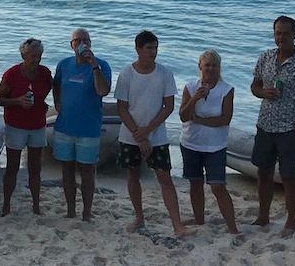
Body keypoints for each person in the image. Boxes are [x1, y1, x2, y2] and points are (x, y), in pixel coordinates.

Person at [250, 15, 295, 237]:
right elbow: (254, 86)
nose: (281, 37)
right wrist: (263, 92)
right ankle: (263, 216)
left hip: (289, 129)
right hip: (265, 125)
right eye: (278, 33)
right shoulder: (265, 57)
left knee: (289, 176)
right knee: (263, 173)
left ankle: (291, 222)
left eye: (286, 33)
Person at [115, 30, 187, 237]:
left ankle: (177, 225)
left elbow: (168, 106)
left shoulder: (164, 73)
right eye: (149, 48)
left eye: (155, 48)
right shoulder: (127, 74)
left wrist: (147, 131)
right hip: (130, 135)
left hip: (157, 136)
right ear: (138, 49)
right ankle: (139, 217)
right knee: (133, 175)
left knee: (165, 177)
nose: (153, 52)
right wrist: (138, 134)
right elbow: (122, 108)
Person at [51, 28, 112, 221]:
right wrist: (57, 102)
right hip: (65, 126)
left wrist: (94, 65)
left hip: (88, 128)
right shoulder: (64, 64)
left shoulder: (102, 65)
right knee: (67, 170)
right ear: (72, 45)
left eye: (86, 40)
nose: (82, 44)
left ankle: (86, 212)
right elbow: (56, 84)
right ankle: (71, 210)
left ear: (91, 43)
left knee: (87, 172)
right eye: (78, 40)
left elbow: (103, 91)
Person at [178, 50, 239, 235]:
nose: (210, 69)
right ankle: (199, 219)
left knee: (217, 186)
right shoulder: (190, 87)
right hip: (191, 143)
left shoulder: (226, 90)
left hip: (215, 146)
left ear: (219, 68)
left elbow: (224, 119)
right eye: (207, 65)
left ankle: (233, 227)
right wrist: (195, 98)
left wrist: (199, 119)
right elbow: (183, 116)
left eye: (214, 65)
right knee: (195, 183)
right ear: (200, 67)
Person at [0, 38, 53, 217]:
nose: (36, 59)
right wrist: (17, 101)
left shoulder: (45, 73)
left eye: (39, 55)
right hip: (16, 125)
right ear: (23, 56)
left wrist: (44, 104)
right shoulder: (12, 74)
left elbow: (50, 91)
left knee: (35, 168)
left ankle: (36, 205)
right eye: (32, 56)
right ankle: (6, 205)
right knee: (12, 167)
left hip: (37, 124)